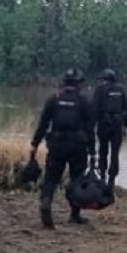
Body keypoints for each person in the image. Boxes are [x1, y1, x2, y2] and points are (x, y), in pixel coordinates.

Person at [30, 68, 95, 229]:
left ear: (64, 83)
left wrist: (35, 144)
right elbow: (90, 129)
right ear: (79, 84)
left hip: (57, 145)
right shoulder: (84, 102)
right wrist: (93, 151)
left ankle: (46, 201)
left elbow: (43, 125)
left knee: (51, 178)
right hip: (78, 147)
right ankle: (74, 215)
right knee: (77, 180)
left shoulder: (54, 100)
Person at [92, 68, 127, 192]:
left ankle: (102, 178)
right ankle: (111, 181)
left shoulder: (99, 90)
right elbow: (125, 109)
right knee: (115, 154)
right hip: (118, 126)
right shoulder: (121, 89)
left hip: (104, 125)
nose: (100, 81)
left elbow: (95, 109)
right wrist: (125, 126)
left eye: (102, 79)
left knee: (103, 151)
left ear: (105, 79)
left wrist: (91, 127)